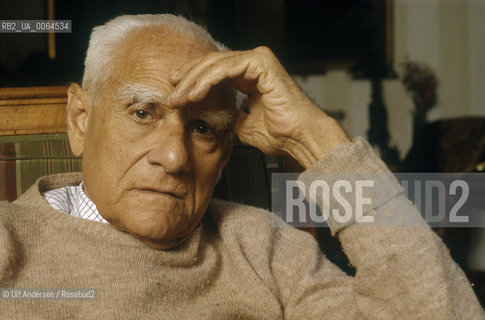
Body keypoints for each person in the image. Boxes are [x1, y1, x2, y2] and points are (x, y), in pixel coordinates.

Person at [0, 14, 483, 319]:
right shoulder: (10, 243)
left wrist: (315, 139)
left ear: (227, 151)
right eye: (143, 112)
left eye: (204, 128)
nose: (174, 158)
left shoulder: (268, 250)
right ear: (81, 120)